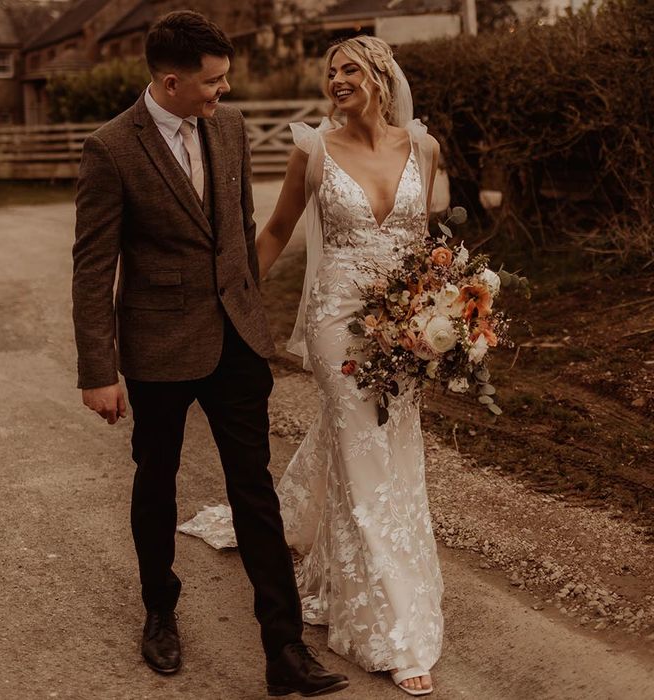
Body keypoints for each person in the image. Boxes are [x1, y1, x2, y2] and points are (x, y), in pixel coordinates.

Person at [71, 10, 348, 697]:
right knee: (156, 483)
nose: (223, 92)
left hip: (236, 342)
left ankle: (283, 649)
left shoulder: (228, 128)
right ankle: (160, 610)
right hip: (158, 347)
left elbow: (244, 229)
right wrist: (98, 371)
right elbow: (92, 266)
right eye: (213, 82)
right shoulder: (111, 149)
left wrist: (253, 313)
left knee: (254, 490)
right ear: (170, 81)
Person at [256, 36, 445, 696]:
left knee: (395, 454)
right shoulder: (311, 151)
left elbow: (428, 239)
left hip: (405, 326)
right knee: (364, 458)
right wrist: (236, 301)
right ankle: (394, 631)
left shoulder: (422, 146)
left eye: (349, 68)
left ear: (381, 77)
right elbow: (278, 230)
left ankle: (335, 561)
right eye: (330, 70)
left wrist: (441, 314)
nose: (336, 78)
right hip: (337, 322)